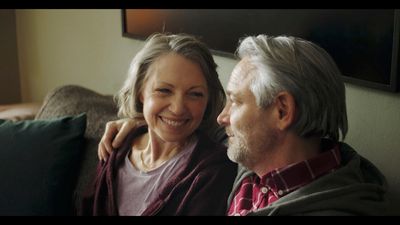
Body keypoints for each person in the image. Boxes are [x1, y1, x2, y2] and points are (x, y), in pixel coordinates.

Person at [98, 35, 388, 216]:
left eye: (235, 102)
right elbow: (186, 125)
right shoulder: (258, 160)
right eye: (163, 91)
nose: (221, 118)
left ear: (282, 111)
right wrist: (142, 121)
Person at [79, 33, 237, 216]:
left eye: (195, 94)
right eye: (164, 90)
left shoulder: (213, 171)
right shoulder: (116, 146)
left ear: (208, 101)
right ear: (140, 92)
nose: (178, 109)